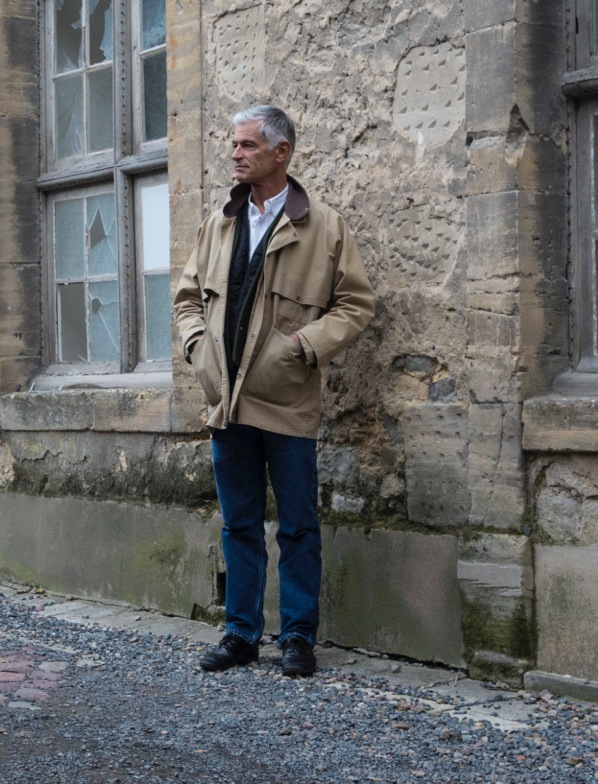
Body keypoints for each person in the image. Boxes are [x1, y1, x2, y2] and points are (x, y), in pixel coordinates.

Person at [173, 106, 374, 677]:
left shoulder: (324, 227)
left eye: (247, 146)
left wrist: (302, 348)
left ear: (281, 152)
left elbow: (356, 305)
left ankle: (297, 638)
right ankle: (240, 634)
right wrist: (196, 349)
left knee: (297, 526)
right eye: (233, 145)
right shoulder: (218, 223)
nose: (235, 154)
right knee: (239, 523)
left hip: (286, 400)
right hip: (226, 402)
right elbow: (188, 298)